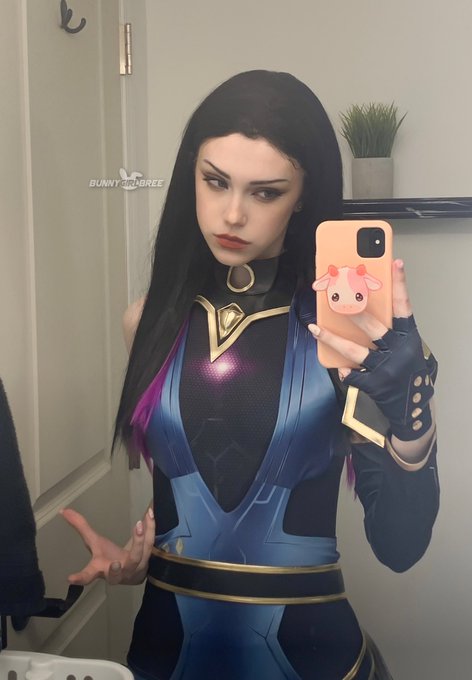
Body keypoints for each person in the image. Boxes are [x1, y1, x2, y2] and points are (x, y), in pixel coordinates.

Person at [61, 70, 439, 680]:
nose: (232, 214)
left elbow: (401, 546)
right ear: (190, 175)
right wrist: (142, 561)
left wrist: (411, 415)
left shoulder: (346, 337)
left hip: (315, 660)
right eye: (215, 181)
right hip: (163, 652)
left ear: (303, 195)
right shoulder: (146, 322)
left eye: (265, 192)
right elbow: (191, 489)